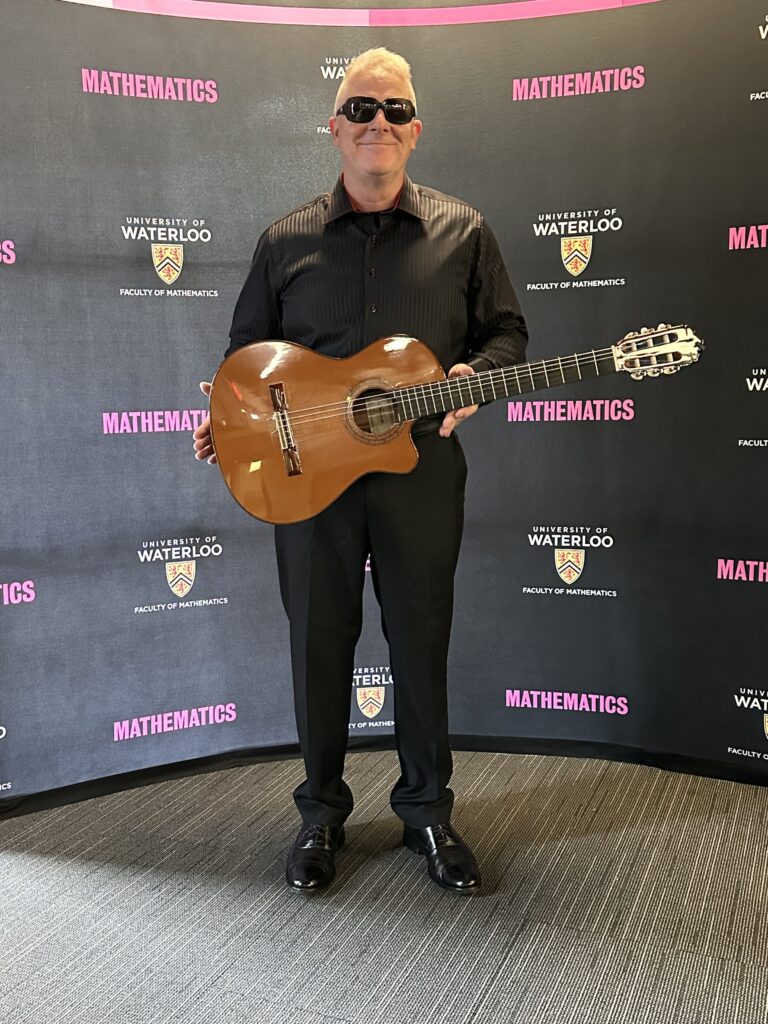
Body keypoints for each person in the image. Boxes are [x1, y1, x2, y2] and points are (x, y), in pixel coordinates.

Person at [193, 47, 528, 894]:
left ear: (415, 130)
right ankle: (320, 817)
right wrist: (233, 427)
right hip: (308, 478)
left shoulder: (467, 231)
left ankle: (428, 813)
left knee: (419, 641)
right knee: (317, 644)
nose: (379, 121)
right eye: (361, 107)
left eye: (396, 109)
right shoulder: (284, 241)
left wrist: (472, 378)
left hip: (420, 467)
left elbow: (506, 336)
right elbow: (245, 360)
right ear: (334, 128)